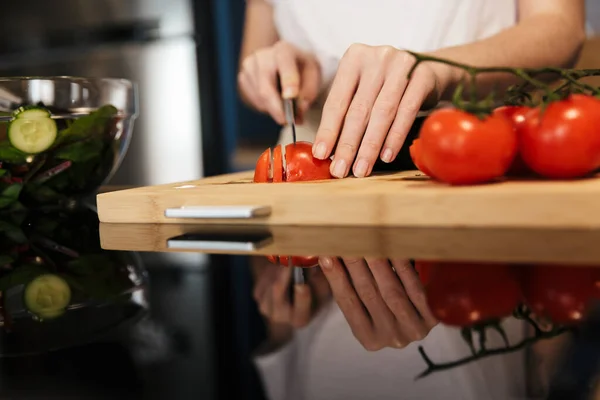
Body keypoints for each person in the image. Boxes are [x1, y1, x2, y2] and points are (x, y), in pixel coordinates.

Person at [238, 0, 587, 179]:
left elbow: (558, 26)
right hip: (312, 174)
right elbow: (253, 58)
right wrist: (275, 70)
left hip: (472, 160)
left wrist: (439, 69)